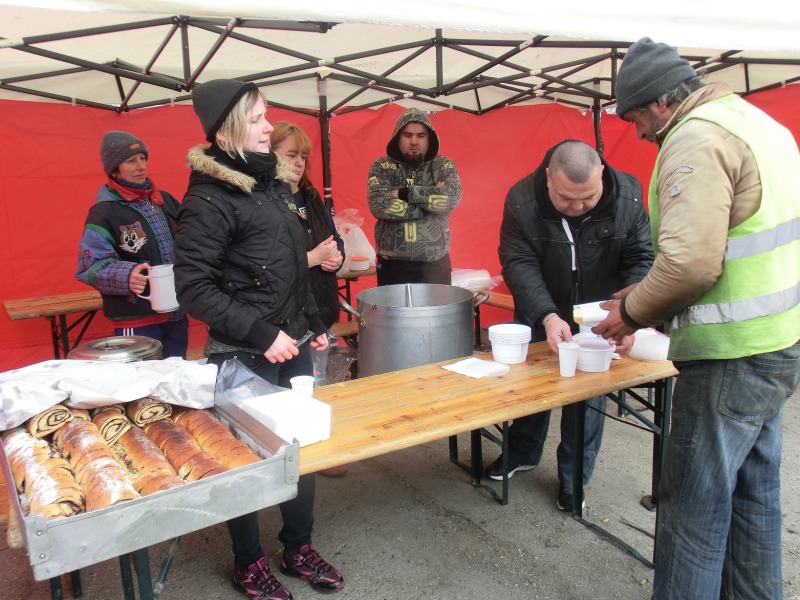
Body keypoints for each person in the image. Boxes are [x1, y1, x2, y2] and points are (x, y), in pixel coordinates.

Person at [597, 37, 800, 599]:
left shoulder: (695, 138)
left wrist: (632, 312)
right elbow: (739, 237)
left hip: (728, 355)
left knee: (691, 511)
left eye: (636, 116)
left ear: (662, 101)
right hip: (779, 341)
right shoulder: (758, 124)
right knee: (754, 495)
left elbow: (689, 265)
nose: (637, 132)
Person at [173, 79, 344, 600]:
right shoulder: (209, 198)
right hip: (243, 352)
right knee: (244, 462)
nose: (269, 126)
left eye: (268, 115)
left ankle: (297, 546)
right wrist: (263, 332)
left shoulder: (270, 187)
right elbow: (192, 288)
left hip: (289, 345)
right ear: (227, 131)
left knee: (300, 447)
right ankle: (247, 562)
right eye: (257, 119)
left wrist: (311, 323)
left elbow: (293, 268)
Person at [489, 140, 654, 511]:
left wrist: (629, 316)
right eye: (567, 198)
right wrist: (546, 314)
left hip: (600, 313)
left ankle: (574, 478)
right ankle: (522, 452)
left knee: (587, 394)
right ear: (548, 177)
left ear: (602, 176)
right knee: (532, 386)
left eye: (588, 197)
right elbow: (517, 262)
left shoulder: (627, 196)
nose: (578, 207)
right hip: (542, 304)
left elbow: (641, 259)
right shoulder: (521, 200)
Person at [270, 121, 348, 477]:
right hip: (288, 313)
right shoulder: (268, 201)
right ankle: (299, 454)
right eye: (290, 155)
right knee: (297, 388)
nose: (299, 163)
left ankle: (322, 449)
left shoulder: (312, 197)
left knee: (321, 382)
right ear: (270, 154)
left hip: (321, 306)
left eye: (303, 156)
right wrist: (313, 258)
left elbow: (334, 239)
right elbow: (269, 264)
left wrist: (336, 257)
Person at [76, 131, 189, 358]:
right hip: (137, 320)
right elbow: (89, 267)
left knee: (177, 381)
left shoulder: (163, 200)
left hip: (177, 313)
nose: (141, 166)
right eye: (131, 161)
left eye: (143, 158)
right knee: (142, 384)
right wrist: (127, 275)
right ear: (114, 170)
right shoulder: (103, 213)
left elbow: (191, 240)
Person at [366, 107, 462, 285]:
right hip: (392, 264)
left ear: (429, 138)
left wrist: (403, 193)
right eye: (408, 135)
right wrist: (428, 204)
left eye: (421, 135)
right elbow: (379, 205)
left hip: (435, 263)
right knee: (393, 314)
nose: (414, 141)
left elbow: (450, 199)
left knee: (436, 313)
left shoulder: (442, 166)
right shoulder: (382, 166)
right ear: (398, 137)